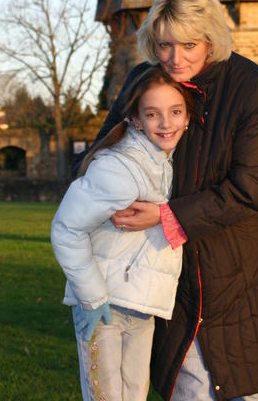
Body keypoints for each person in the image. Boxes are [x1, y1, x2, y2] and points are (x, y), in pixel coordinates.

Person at [89, 0, 258, 401]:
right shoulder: (144, 82)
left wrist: (167, 216)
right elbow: (99, 152)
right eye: (166, 45)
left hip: (246, 271)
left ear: (211, 39)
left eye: (189, 45)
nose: (175, 57)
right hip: (176, 276)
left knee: (249, 386)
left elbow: (252, 186)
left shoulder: (251, 86)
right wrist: (106, 190)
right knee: (192, 386)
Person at [51, 66, 192, 401]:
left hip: (141, 306)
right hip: (104, 308)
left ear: (187, 117)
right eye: (153, 114)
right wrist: (92, 297)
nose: (166, 123)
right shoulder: (120, 168)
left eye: (175, 112)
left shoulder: (166, 162)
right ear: (136, 120)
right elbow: (66, 229)